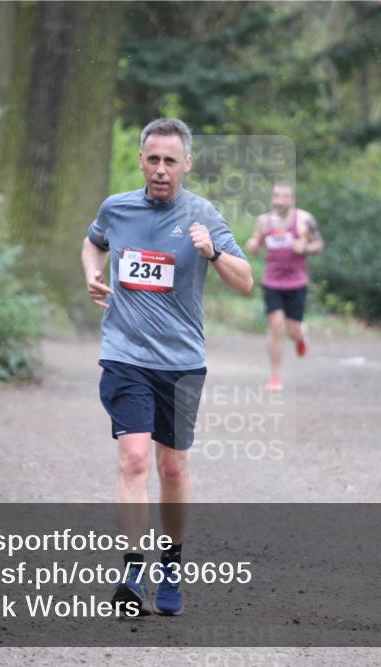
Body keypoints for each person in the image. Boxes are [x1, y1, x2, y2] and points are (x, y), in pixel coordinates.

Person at [81, 118, 252, 616]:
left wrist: (213, 251)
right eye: (152, 159)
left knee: (172, 465)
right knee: (133, 458)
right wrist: (92, 273)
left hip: (180, 362)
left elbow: (245, 281)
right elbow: (93, 241)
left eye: (170, 161)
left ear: (186, 164)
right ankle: (133, 570)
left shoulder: (204, 215)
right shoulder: (117, 209)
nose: (160, 170)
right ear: (140, 160)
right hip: (124, 353)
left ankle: (171, 561)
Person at [245, 182, 324, 391]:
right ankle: (275, 377)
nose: (280, 200)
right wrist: (252, 245)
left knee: (293, 330)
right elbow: (257, 242)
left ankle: (300, 335)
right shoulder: (264, 222)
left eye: (285, 196)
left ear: (293, 199)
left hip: (297, 283)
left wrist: (305, 247)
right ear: (272, 198)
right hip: (272, 282)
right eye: (277, 196)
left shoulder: (305, 220)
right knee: (275, 326)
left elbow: (319, 244)